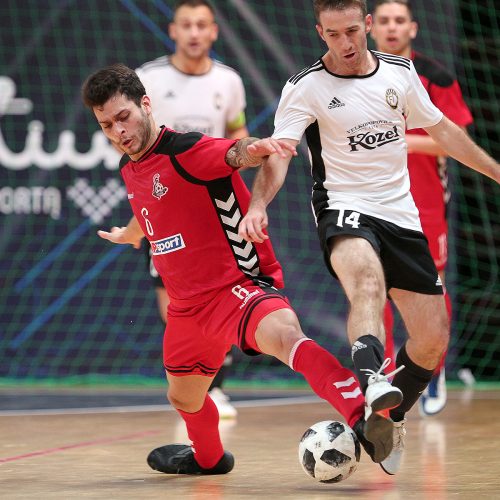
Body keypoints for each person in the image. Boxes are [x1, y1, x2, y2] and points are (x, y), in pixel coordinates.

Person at [81, 63, 399, 475]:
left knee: (287, 339)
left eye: (122, 117)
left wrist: (256, 148)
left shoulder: (186, 151)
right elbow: (153, 207)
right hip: (186, 310)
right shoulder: (130, 167)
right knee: (184, 399)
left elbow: (235, 153)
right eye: (106, 125)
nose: (117, 132)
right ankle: (209, 460)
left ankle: (365, 418)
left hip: (236, 287)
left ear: (145, 104)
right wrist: (131, 233)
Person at [238, 0, 499, 476]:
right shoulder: (305, 87)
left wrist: (495, 171)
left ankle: (388, 417)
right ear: (321, 32)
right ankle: (371, 380)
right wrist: (258, 204)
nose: (346, 43)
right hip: (343, 208)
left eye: (353, 31)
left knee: (432, 339)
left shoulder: (400, 74)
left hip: (401, 214)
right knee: (366, 283)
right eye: (335, 35)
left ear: (369, 26)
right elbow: (280, 154)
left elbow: (443, 131)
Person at [135, 0, 249, 418]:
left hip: (215, 207)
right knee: (174, 303)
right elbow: (135, 140)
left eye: (202, 25)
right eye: (187, 25)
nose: (195, 33)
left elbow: (238, 134)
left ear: (214, 32)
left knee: (220, 295)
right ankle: (194, 383)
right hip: (164, 206)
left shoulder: (229, 81)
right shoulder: (148, 78)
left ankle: (216, 386)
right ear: (173, 30)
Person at [370, 0, 474, 417]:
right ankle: (380, 378)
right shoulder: (353, 76)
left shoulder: (435, 77)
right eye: (384, 21)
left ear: (412, 28)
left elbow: (457, 139)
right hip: (372, 199)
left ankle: (433, 372)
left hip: (425, 201)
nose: (392, 28)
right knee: (373, 288)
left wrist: (401, 140)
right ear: (370, 27)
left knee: (431, 287)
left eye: (399, 21)